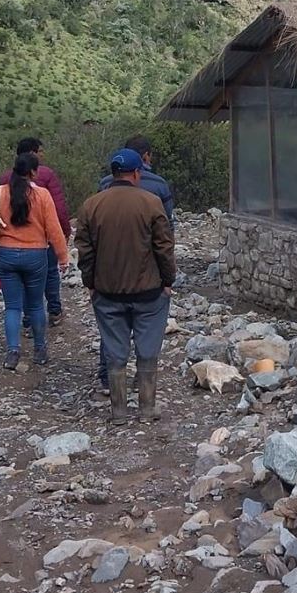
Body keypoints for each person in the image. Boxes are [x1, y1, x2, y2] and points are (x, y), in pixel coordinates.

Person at [76, 148, 176, 423]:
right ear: (136, 173)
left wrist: (90, 282)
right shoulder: (151, 202)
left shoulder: (91, 205)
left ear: (112, 173)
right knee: (147, 350)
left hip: (107, 291)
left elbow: (85, 251)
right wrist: (168, 281)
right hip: (149, 292)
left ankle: (118, 412)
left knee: (115, 350)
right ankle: (146, 409)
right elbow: (164, 248)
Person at [94, 135, 176, 389]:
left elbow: (90, 239)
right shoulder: (159, 188)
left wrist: (90, 279)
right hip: (147, 274)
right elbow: (166, 237)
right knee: (147, 332)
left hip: (109, 273)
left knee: (112, 330)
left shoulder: (103, 189)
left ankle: (109, 382)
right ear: (145, 158)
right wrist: (167, 279)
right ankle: (145, 390)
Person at [0, 152, 69, 372]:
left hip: (6, 254)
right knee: (37, 304)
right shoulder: (42, 195)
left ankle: (13, 351)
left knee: (12, 307)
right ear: (33, 172)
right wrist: (62, 257)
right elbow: (53, 228)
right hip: (35, 255)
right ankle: (39, 349)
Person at [4, 139, 70, 326]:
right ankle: (54, 311)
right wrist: (64, 233)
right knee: (50, 273)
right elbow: (59, 208)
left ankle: (27, 318)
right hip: (43, 238)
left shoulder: (5, 179)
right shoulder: (47, 174)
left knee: (23, 281)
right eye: (40, 151)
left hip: (12, 241)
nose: (43, 155)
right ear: (32, 154)